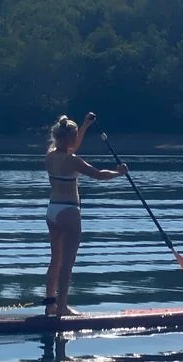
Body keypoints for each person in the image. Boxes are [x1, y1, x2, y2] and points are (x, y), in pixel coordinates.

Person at [44, 112, 127, 316]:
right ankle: (62, 308)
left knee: (55, 260)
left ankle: (50, 306)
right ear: (68, 139)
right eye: (74, 137)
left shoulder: (50, 155)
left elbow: (71, 146)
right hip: (69, 212)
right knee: (67, 263)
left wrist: (84, 127)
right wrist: (119, 172)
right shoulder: (74, 161)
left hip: (52, 211)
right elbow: (99, 175)